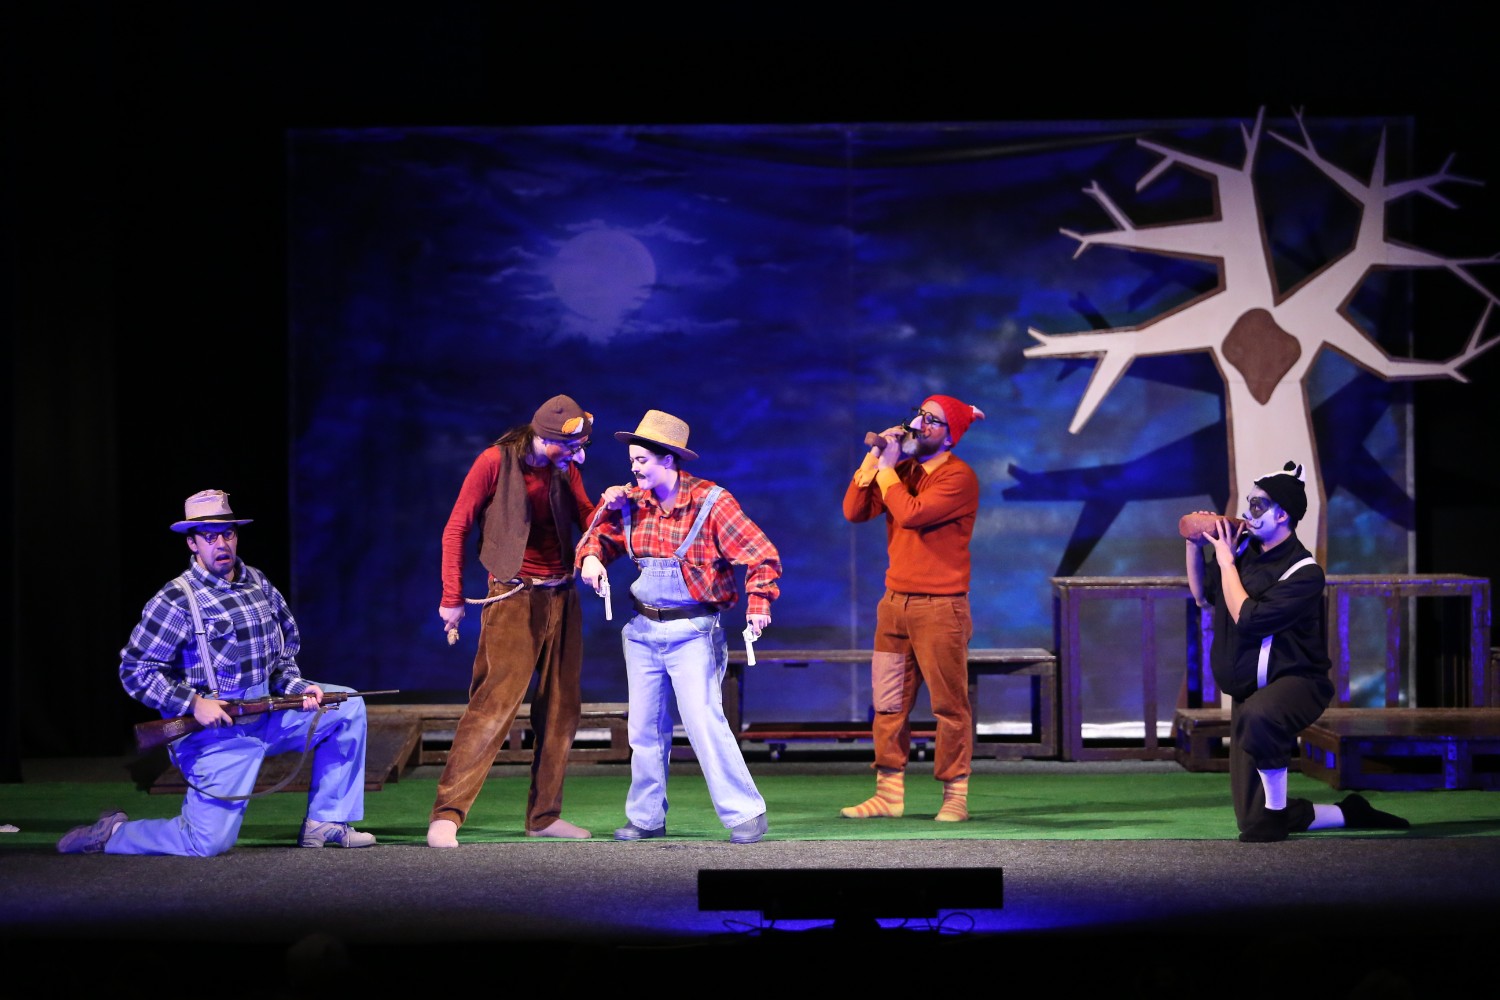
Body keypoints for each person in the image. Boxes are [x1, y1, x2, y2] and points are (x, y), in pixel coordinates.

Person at [58, 490, 375, 856]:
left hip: (266, 713)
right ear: (192, 543)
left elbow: (283, 654)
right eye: (209, 536)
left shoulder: (257, 583)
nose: (221, 544)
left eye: (227, 533)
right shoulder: (177, 599)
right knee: (205, 843)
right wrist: (193, 703)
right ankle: (113, 834)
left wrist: (297, 687)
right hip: (217, 733)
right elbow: (136, 669)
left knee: (346, 706)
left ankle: (325, 821)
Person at [577, 410, 780, 844]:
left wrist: (759, 603)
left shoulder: (711, 503)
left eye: (642, 460)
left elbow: (761, 555)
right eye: (632, 460)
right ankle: (646, 817)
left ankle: (746, 813)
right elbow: (597, 536)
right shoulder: (632, 502)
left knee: (703, 722)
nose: (634, 468)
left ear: (668, 459)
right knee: (644, 729)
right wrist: (592, 556)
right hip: (643, 631)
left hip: (693, 630)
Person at [1185, 461, 1410, 842]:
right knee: (1250, 818)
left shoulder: (1304, 572)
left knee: (1260, 716)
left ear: (1282, 515)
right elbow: (1201, 596)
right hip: (1249, 690)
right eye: (1249, 503)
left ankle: (1276, 817)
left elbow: (1248, 618)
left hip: (1297, 682)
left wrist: (1225, 563)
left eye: (1258, 505)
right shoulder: (1242, 551)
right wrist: (1194, 544)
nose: (1248, 513)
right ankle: (1348, 812)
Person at [428, 394, 600, 847]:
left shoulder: (565, 468)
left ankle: (543, 816)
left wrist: (606, 518)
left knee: (561, 710)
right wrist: (451, 596)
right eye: (572, 446)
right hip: (514, 596)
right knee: (492, 707)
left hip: (562, 596)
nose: (579, 455)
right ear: (545, 438)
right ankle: (447, 814)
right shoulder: (495, 462)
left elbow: (586, 515)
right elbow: (457, 527)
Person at [840, 395, 986, 823]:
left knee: (949, 706)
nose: (920, 425)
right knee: (888, 702)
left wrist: (888, 469)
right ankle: (888, 793)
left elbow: (911, 514)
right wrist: (875, 458)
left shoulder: (958, 477)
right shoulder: (902, 471)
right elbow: (854, 511)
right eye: (920, 415)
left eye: (933, 421)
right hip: (894, 606)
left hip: (941, 609)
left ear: (950, 436)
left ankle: (954, 795)